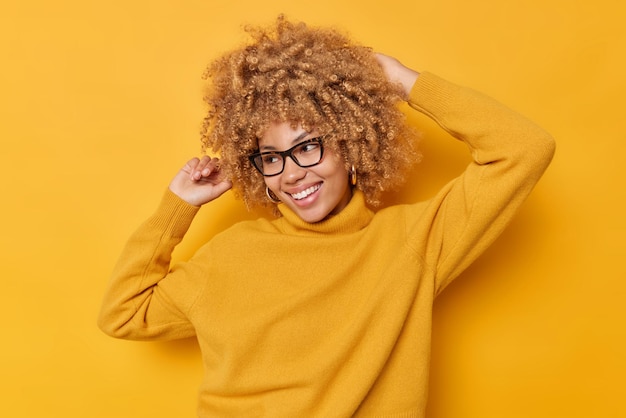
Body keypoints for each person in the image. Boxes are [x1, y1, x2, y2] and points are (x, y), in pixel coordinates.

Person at [98, 15, 555, 418]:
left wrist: (404, 81)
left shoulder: (414, 241)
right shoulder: (230, 255)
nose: (293, 173)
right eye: (271, 157)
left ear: (351, 144)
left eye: (308, 146)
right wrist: (178, 206)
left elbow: (522, 149)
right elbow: (124, 313)